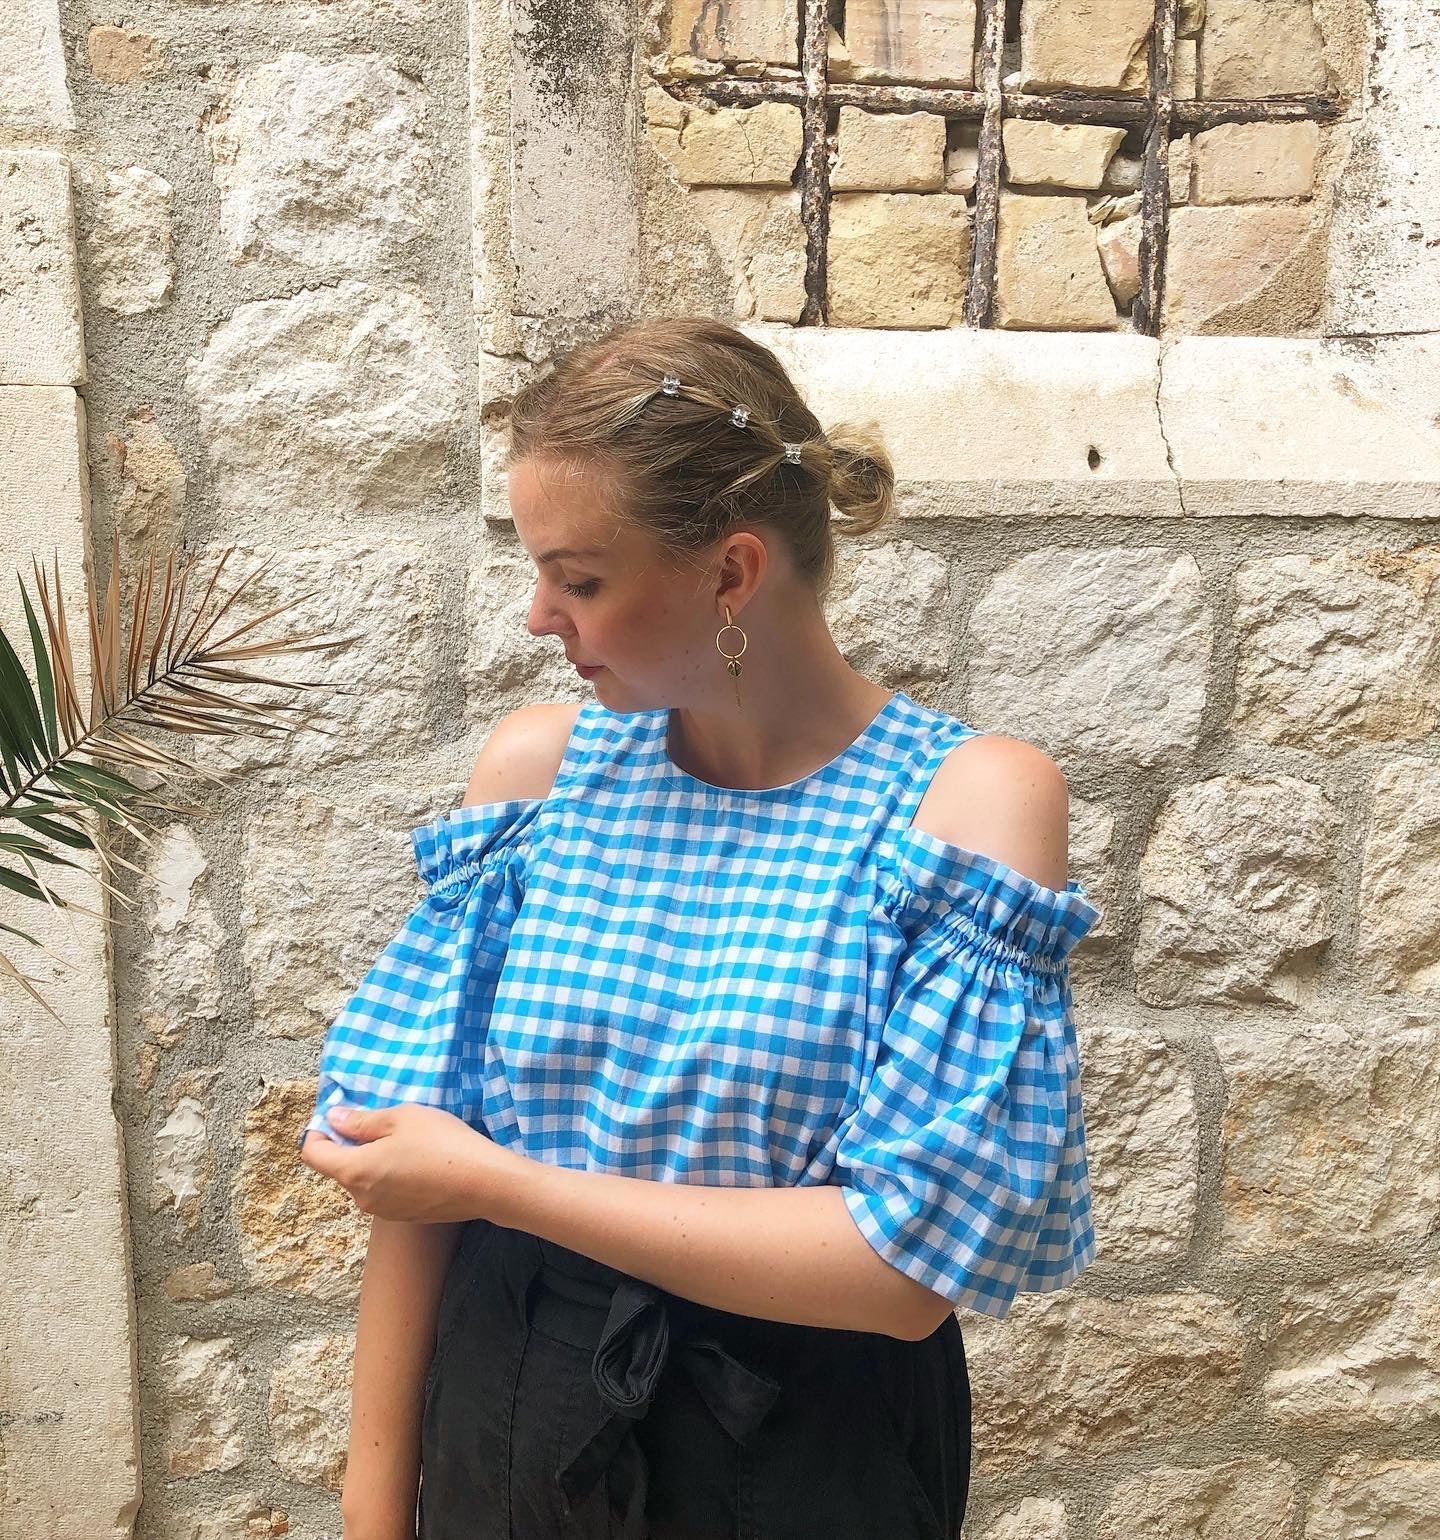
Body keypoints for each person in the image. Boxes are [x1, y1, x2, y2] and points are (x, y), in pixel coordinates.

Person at [298, 316, 1104, 1540]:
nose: (537, 617)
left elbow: (902, 1272)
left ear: (732, 573)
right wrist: (371, 1514)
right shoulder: (537, 777)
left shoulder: (967, 805)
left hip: (802, 1446)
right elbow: (419, 1166)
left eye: (578, 579)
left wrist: (504, 1182)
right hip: (509, 1409)